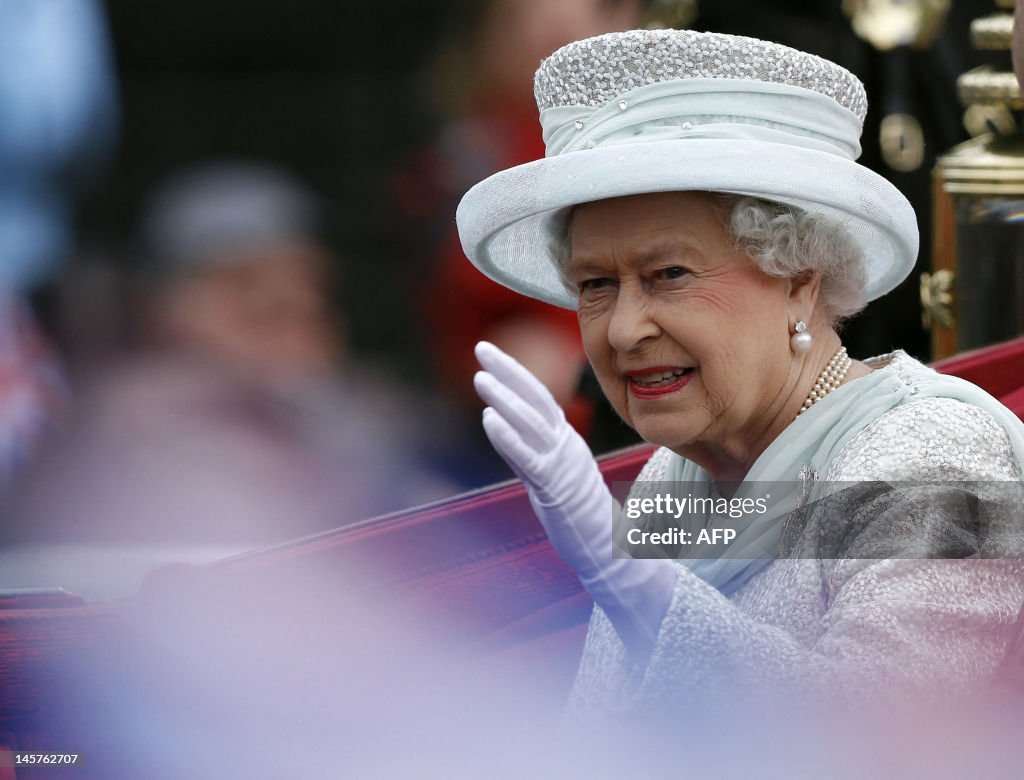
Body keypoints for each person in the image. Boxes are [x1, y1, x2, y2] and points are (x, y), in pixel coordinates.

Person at [456, 28, 1024, 720]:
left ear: (799, 280)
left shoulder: (933, 454)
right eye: (595, 284)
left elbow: (881, 742)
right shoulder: (678, 472)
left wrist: (636, 585)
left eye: (669, 275)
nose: (625, 328)